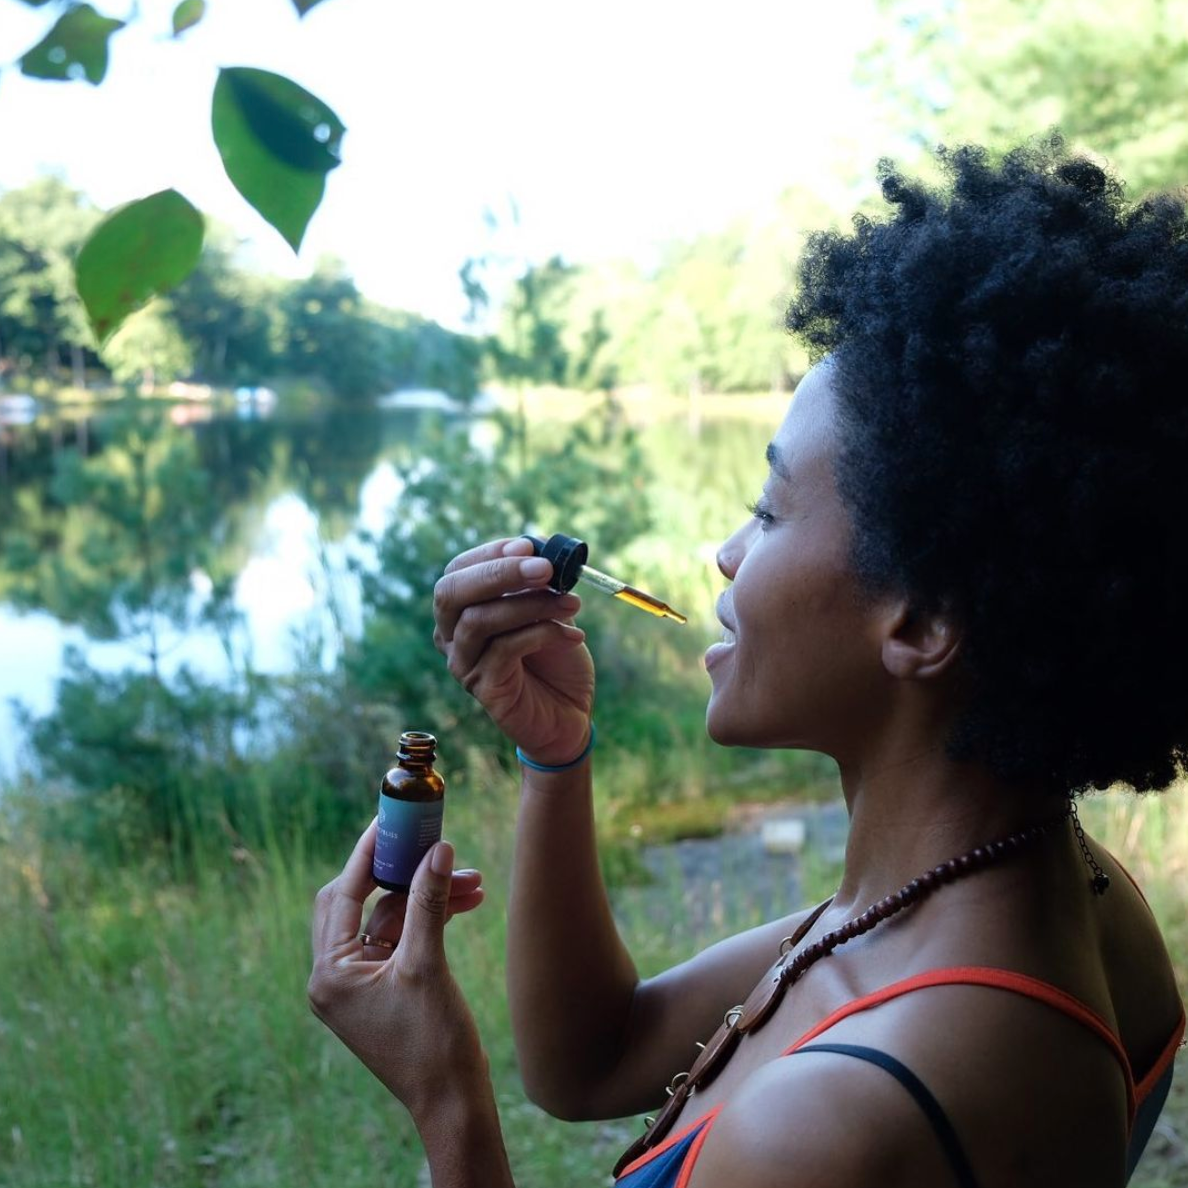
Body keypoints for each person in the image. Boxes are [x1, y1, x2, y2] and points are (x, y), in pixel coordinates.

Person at [308, 135, 1186, 1187]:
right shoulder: (1064, 899)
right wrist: (556, 753)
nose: (726, 553)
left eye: (767, 510)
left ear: (920, 623)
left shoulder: (830, 1123)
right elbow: (592, 1059)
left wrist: (445, 1100)